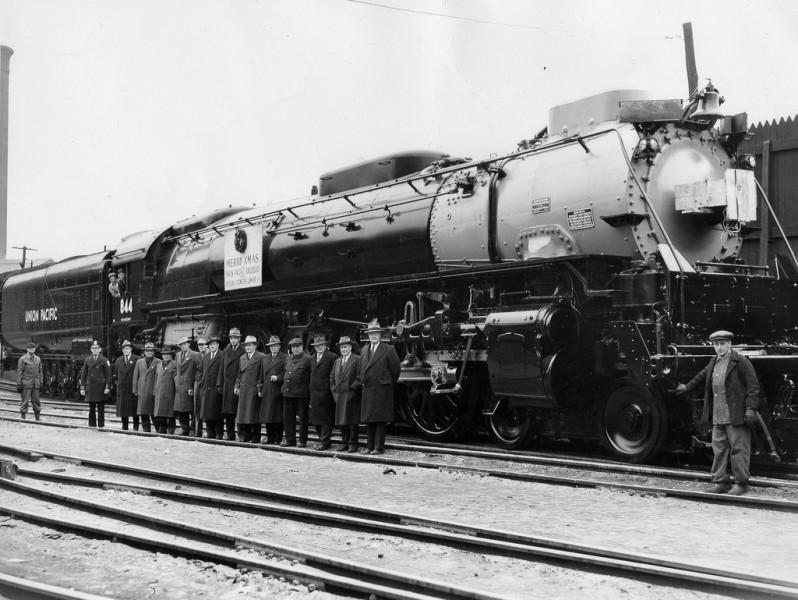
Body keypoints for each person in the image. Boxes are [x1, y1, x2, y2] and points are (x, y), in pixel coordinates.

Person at [676, 330, 761, 495]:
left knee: (739, 449)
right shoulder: (713, 361)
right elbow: (701, 377)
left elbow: (753, 387)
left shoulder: (741, 362)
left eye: (722, 344)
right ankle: (720, 482)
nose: (719, 347)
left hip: (736, 413)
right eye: (716, 344)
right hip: (718, 414)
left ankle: (741, 484)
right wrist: (686, 388)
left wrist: (751, 408)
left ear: (730, 344)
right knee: (719, 449)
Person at [355, 321, 400, 455]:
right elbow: (361, 369)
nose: (373, 336)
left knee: (380, 419)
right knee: (369, 419)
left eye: (376, 334)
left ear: (380, 335)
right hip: (368, 388)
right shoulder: (363, 350)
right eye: (371, 334)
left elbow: (395, 370)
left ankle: (378, 447)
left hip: (382, 389)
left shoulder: (388, 349)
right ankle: (369, 447)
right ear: (368, 336)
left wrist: (386, 382)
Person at [330, 336, 361, 452]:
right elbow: (332, 378)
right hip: (339, 395)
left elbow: (359, 377)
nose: (343, 349)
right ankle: (344, 443)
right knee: (342, 422)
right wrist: (334, 392)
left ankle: (353, 444)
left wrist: (353, 391)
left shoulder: (357, 359)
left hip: (352, 396)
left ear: (350, 347)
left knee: (352, 422)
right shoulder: (337, 361)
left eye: (345, 347)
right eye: (342, 347)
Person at [281, 337, 311, 447]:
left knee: (303, 418)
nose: (295, 349)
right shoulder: (288, 358)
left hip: (302, 393)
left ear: (302, 347)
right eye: (293, 347)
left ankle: (302, 440)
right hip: (288, 392)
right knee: (288, 417)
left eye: (297, 346)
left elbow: (310, 376)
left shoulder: (308, 359)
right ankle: (290, 439)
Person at [309, 336, 337, 451]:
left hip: (326, 393)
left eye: (321, 345)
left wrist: (330, 390)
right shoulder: (312, 359)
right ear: (314, 347)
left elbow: (334, 375)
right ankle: (323, 440)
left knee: (326, 419)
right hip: (315, 392)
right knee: (316, 419)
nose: (319, 347)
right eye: (317, 346)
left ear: (325, 346)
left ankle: (325, 442)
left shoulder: (332, 357)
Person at [236, 335, 265, 442]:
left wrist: (259, 388)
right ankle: (245, 436)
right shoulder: (242, 358)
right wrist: (237, 386)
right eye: (246, 345)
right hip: (244, 389)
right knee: (243, 415)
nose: (248, 347)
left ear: (255, 346)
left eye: (250, 345)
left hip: (253, 389)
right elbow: (239, 374)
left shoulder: (261, 357)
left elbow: (262, 375)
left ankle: (256, 437)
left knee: (254, 415)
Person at [218, 327, 245, 441]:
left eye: (235, 338)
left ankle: (241, 434)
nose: (233, 340)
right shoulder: (225, 351)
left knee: (238, 411)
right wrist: (219, 384)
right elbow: (221, 368)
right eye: (231, 338)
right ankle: (230, 433)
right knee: (228, 412)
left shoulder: (243, 351)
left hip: (237, 384)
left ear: (239, 339)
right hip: (227, 385)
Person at [259, 335, 286, 444]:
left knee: (277, 417)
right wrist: (260, 388)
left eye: (275, 346)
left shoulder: (284, 358)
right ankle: (270, 437)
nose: (273, 348)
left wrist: (278, 378)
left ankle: (278, 438)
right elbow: (261, 374)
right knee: (267, 416)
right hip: (267, 389)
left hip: (277, 390)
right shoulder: (265, 358)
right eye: (271, 346)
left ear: (279, 346)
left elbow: (287, 373)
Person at [80, 341, 112, 428]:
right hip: (90, 387)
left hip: (101, 388)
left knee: (101, 409)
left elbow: (108, 375)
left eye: (97, 348)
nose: (95, 350)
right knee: (91, 409)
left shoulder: (104, 360)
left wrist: (107, 387)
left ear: (100, 349)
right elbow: (84, 375)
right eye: (93, 348)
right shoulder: (87, 360)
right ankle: (92, 425)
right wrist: (82, 388)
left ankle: (101, 426)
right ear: (91, 349)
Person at [174, 336, 200, 436]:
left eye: (184, 344)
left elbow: (199, 370)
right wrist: (176, 378)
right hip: (179, 386)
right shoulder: (177, 355)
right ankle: (185, 429)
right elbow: (176, 369)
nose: (183, 346)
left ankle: (193, 429)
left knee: (192, 409)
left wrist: (193, 385)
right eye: (181, 344)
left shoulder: (195, 355)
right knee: (181, 409)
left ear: (188, 344)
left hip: (190, 386)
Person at [132, 342, 160, 432]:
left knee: (154, 412)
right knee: (143, 412)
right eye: (147, 351)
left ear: (154, 352)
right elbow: (136, 376)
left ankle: (158, 430)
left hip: (153, 390)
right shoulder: (139, 362)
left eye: (151, 351)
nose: (149, 352)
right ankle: (146, 431)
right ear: (144, 352)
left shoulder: (159, 362)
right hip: (142, 390)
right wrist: (135, 390)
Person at [198, 337, 223, 439]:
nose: (212, 346)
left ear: (218, 345)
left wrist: (219, 385)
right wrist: (201, 382)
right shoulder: (206, 357)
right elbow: (200, 371)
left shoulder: (222, 356)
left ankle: (219, 433)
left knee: (217, 412)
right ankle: (210, 432)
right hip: (206, 388)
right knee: (207, 412)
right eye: (210, 345)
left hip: (216, 388)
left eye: (214, 344)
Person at [114, 340, 139, 431]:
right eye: (124, 349)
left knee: (134, 408)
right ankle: (125, 426)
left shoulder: (137, 359)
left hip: (132, 388)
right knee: (123, 408)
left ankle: (136, 427)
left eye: (128, 348)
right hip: (122, 388)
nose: (126, 350)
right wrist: (118, 384)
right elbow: (116, 375)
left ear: (131, 349)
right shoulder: (118, 361)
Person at [153, 346, 177, 434]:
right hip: (160, 391)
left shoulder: (174, 364)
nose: (166, 356)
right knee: (160, 411)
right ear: (162, 356)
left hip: (170, 391)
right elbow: (156, 378)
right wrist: (155, 390)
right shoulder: (158, 365)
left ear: (171, 355)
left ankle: (171, 428)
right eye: (164, 354)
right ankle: (162, 427)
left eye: (168, 354)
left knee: (170, 412)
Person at [16, 341, 42, 420]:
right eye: (30, 348)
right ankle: (23, 417)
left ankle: (37, 417)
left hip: (35, 384)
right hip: (26, 383)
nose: (32, 349)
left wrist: (41, 382)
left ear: (35, 349)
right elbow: (19, 372)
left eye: (33, 348)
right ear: (27, 349)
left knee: (36, 401)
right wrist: (19, 384)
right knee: (25, 401)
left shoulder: (38, 359)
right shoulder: (23, 359)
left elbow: (40, 371)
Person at [192, 337, 209, 436]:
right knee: (197, 407)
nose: (201, 347)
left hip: (207, 384)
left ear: (207, 345)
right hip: (198, 383)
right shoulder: (196, 356)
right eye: (199, 345)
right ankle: (197, 430)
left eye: (203, 344)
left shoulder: (210, 355)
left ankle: (208, 430)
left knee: (207, 407)